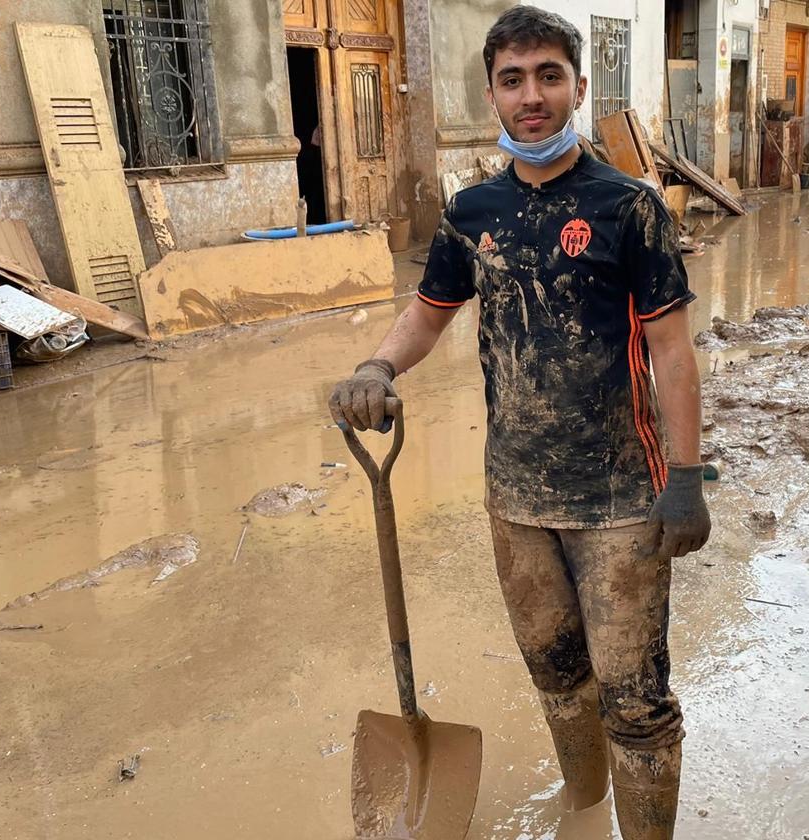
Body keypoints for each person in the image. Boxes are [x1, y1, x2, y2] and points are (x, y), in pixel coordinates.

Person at [328, 7, 709, 839]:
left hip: (621, 501)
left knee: (636, 704)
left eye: (548, 76)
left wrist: (686, 477)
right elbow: (428, 315)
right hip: (517, 498)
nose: (531, 95)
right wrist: (375, 365)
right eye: (512, 79)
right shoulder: (472, 212)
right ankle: (583, 812)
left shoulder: (628, 206)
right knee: (556, 677)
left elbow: (673, 351)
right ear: (493, 93)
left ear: (576, 84)